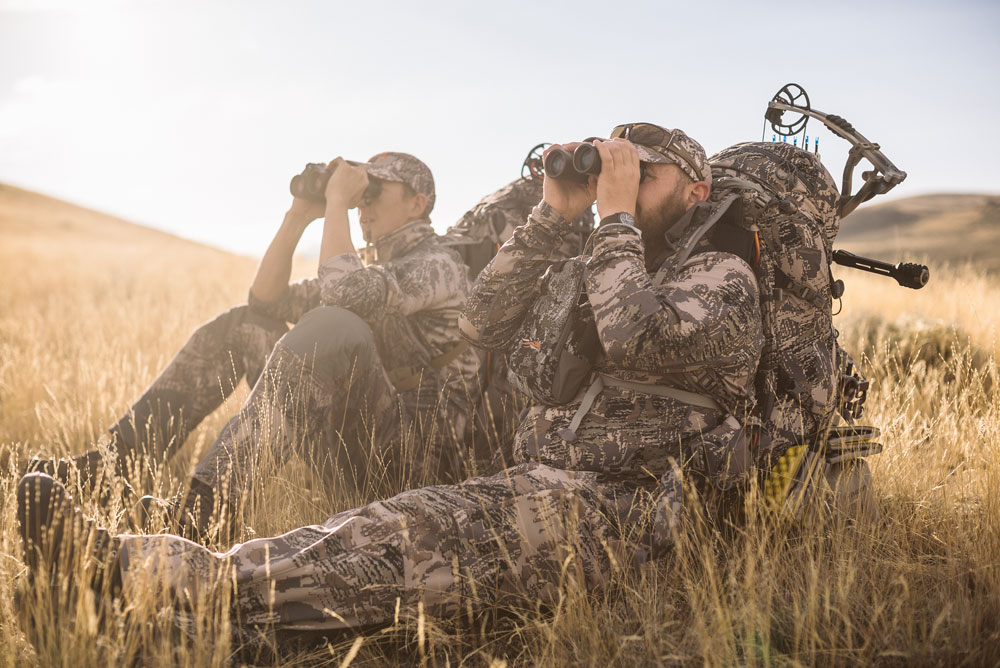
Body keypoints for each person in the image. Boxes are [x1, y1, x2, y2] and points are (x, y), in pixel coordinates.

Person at [16, 124, 764, 655]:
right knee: (376, 541)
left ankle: (135, 573)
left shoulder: (722, 278)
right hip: (541, 480)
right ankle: (146, 621)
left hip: (628, 504)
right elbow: (487, 319)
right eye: (618, 171)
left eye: (644, 173)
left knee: (400, 550)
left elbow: (632, 332)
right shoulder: (598, 258)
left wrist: (614, 215)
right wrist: (556, 215)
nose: (623, 185)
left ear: (696, 192)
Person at [26, 152, 480, 537]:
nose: (365, 203)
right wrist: (299, 215)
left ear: (418, 202)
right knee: (246, 325)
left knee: (334, 323)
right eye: (363, 191)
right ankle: (109, 468)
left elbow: (344, 295)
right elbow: (265, 299)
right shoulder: (367, 266)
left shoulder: (438, 264)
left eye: (375, 189)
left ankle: (205, 513)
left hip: (416, 470)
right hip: (360, 446)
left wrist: (338, 201)